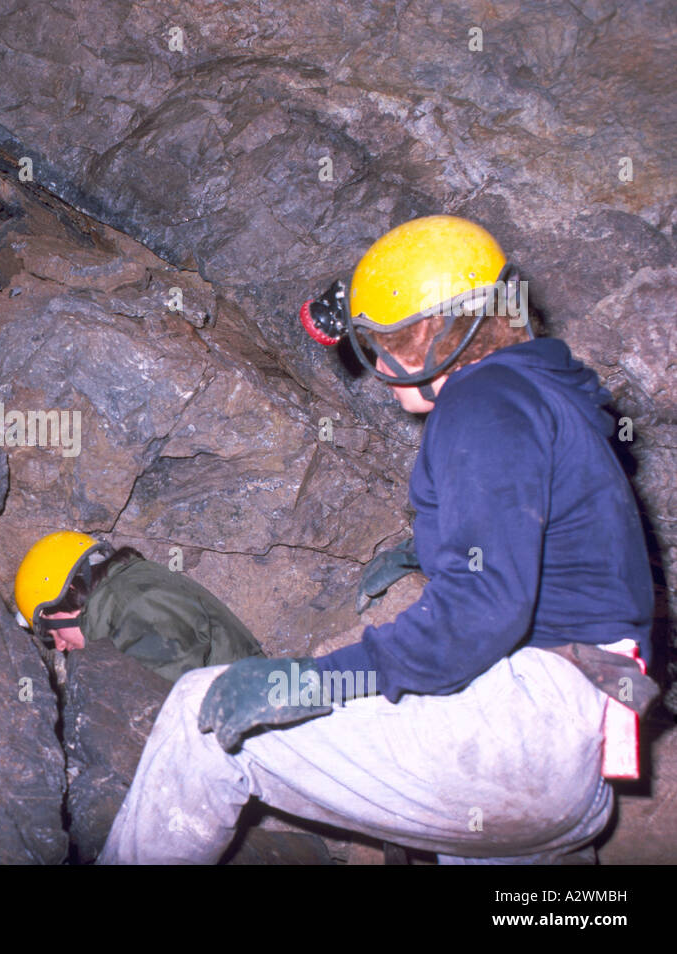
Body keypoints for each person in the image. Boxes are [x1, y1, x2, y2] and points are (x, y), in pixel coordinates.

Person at [99, 215, 657, 864]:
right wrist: (431, 549)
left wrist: (315, 683)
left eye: (388, 339)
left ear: (436, 335)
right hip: (575, 759)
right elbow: (553, 538)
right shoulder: (546, 395)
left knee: (202, 713)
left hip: (525, 728)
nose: (382, 362)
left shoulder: (486, 401)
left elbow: (485, 609)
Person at [13, 531, 265, 682]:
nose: (59, 646)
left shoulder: (138, 606)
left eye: (52, 630)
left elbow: (167, 711)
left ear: (70, 590)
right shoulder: (133, 591)